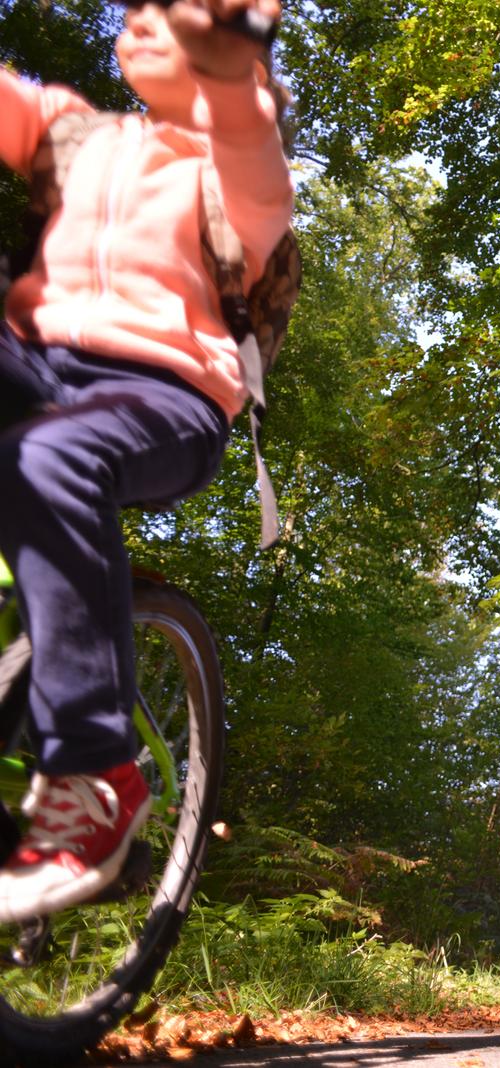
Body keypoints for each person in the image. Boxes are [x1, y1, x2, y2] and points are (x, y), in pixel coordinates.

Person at [0, 0, 292, 922]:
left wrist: (230, 71)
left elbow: (249, 142)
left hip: (166, 395)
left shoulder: (237, 168)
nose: (139, 19)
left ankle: (94, 769)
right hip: (34, 361)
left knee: (47, 458)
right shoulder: (77, 134)